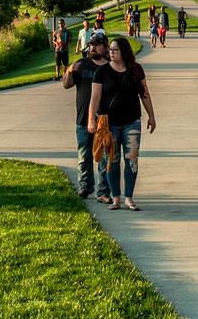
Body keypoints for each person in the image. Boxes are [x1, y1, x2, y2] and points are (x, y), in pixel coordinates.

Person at [87, 35, 157, 210]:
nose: (111, 52)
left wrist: (151, 116)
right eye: (110, 49)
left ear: (124, 51)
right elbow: (95, 97)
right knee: (112, 160)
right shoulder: (102, 72)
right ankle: (116, 197)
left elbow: (144, 94)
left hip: (131, 121)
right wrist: (91, 120)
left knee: (132, 159)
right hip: (109, 124)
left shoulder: (136, 69)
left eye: (115, 49)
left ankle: (129, 197)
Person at [63, 31, 111, 199]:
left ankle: (104, 191)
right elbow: (66, 85)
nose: (93, 48)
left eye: (97, 45)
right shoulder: (81, 64)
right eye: (91, 44)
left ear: (105, 47)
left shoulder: (110, 67)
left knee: (104, 158)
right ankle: (85, 186)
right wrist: (69, 71)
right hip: (83, 119)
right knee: (84, 155)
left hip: (104, 121)